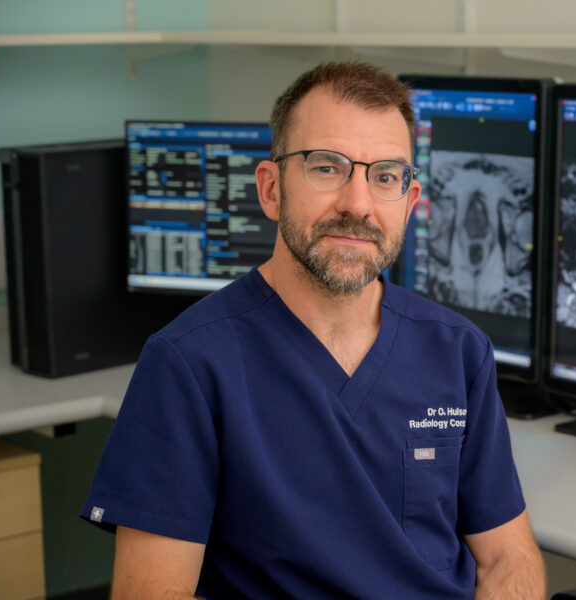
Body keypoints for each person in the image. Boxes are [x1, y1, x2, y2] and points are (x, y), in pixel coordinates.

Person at [81, 61, 546, 599]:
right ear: (271, 189)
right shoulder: (188, 365)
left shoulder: (459, 352)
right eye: (327, 167)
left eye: (386, 176)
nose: (358, 204)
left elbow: (508, 557)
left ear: (410, 204)